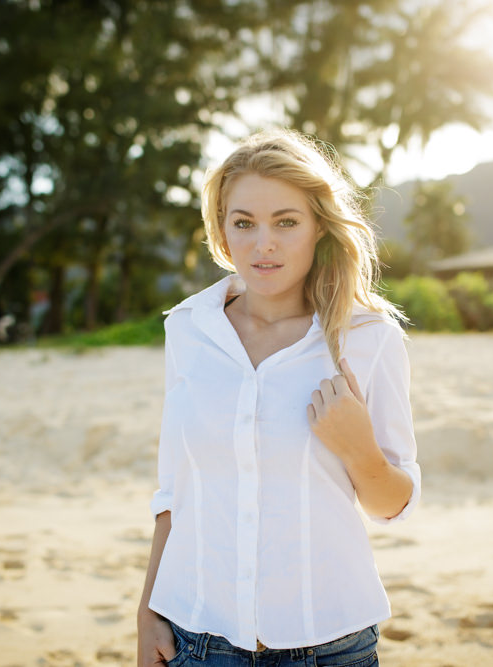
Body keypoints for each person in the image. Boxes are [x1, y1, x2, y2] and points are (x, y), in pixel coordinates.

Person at [136, 129, 420, 666]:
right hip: (195, 639)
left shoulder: (367, 339)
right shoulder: (189, 329)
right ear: (222, 232)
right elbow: (174, 490)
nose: (263, 243)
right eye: (244, 223)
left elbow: (394, 504)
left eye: (286, 222)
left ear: (318, 228)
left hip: (329, 644)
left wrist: (359, 451)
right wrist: (148, 610)